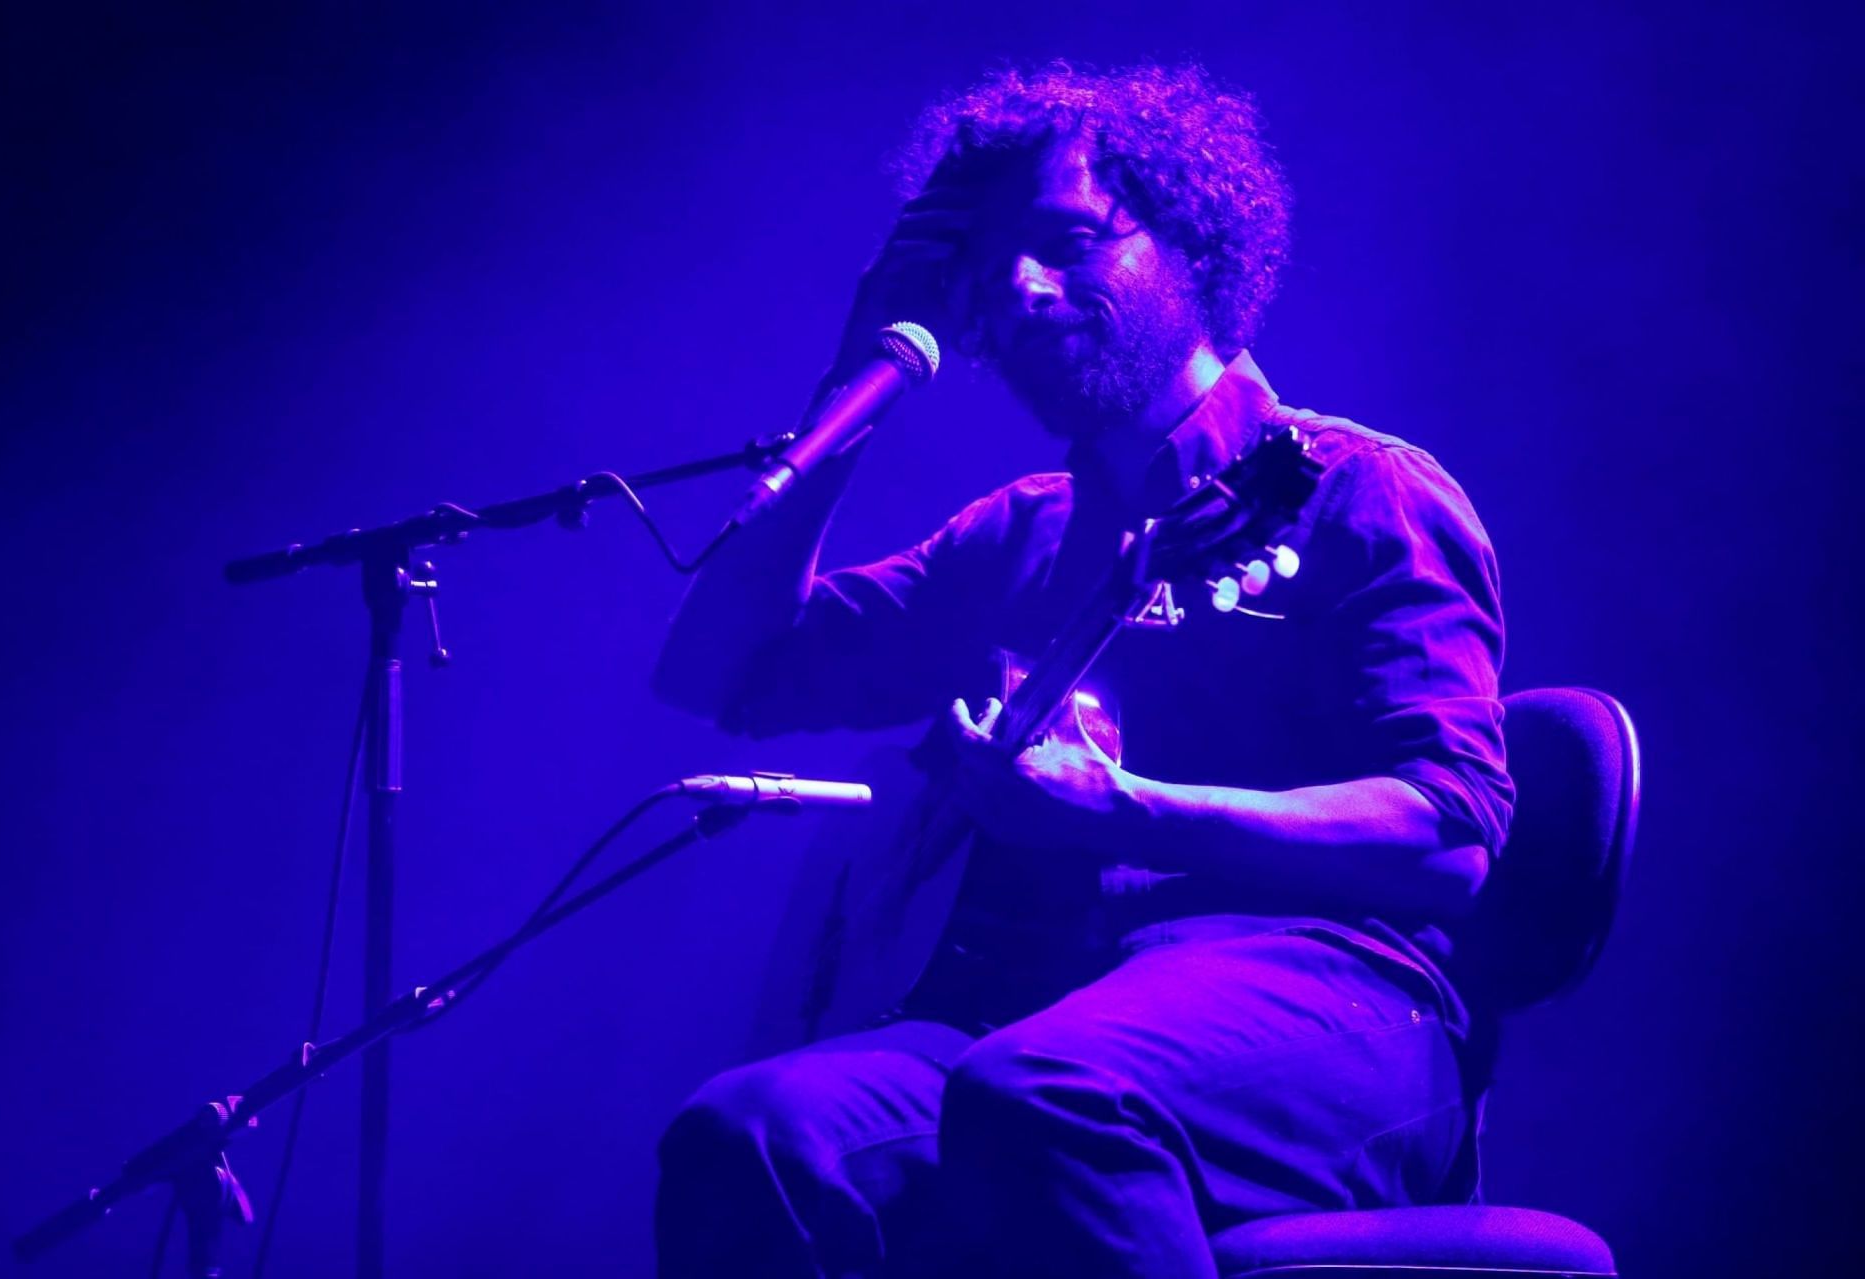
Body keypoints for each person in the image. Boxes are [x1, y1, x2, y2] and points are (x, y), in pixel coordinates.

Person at [648, 61, 1512, 1279]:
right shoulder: (1019, 534)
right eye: (992, 262)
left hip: (1343, 1005)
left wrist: (1131, 811)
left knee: (1048, 1088)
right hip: (1047, 1011)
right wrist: (856, 382)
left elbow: (1451, 834)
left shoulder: (1361, 493)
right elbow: (721, 672)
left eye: (1067, 242)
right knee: (753, 1132)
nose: (1019, 287)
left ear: (1193, 249)